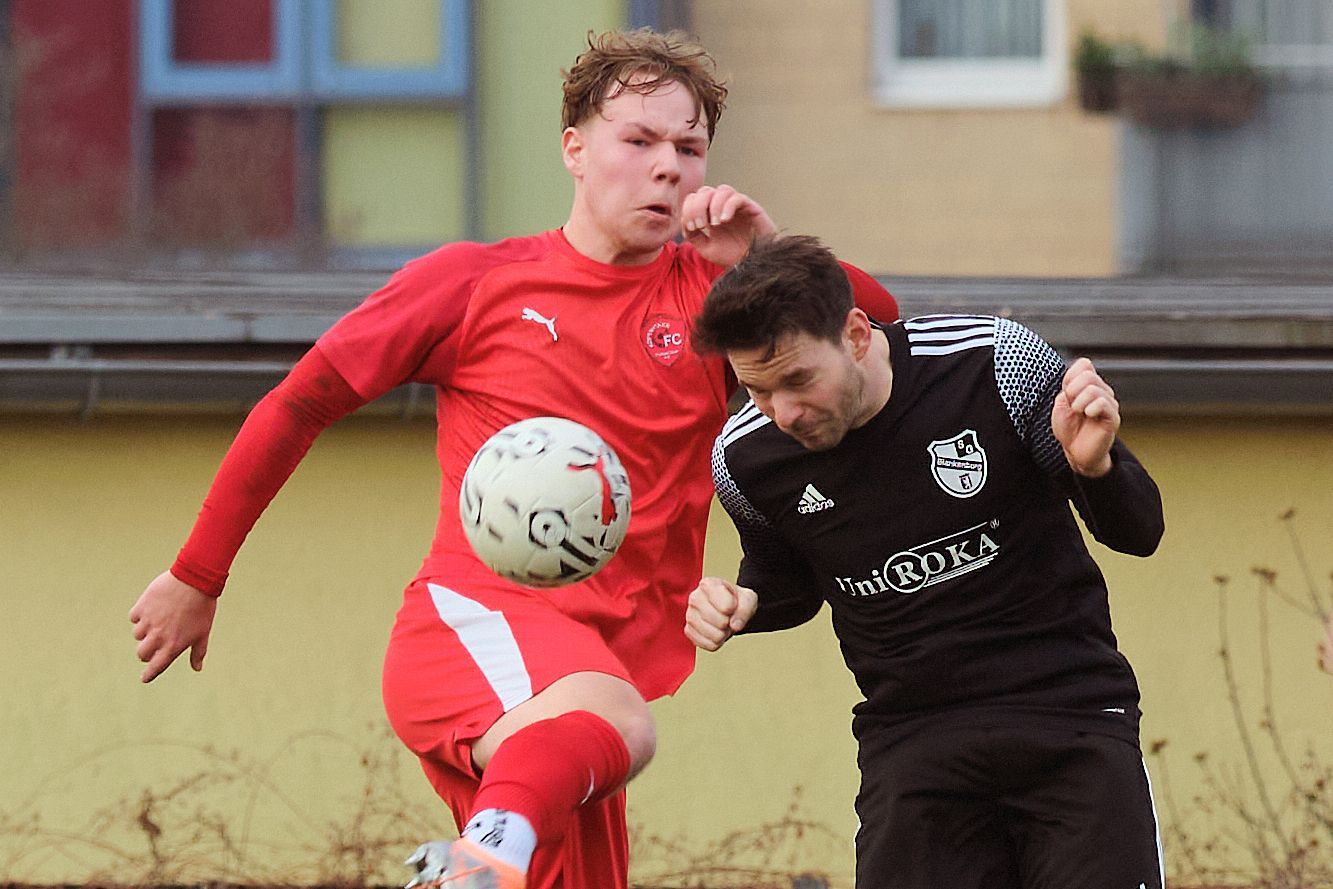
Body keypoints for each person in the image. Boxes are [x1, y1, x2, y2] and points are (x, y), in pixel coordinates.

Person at [127, 31, 898, 889]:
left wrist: (768, 255)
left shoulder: (714, 301)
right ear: (574, 149)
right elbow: (301, 402)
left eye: (688, 148)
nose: (666, 167)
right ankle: (481, 854)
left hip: (575, 699)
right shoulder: (473, 282)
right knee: (620, 726)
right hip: (475, 628)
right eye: (637, 140)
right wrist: (197, 574)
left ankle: (483, 857)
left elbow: (875, 333)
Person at [684, 234, 1166, 889]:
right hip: (914, 740)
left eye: (798, 380)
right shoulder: (745, 459)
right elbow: (786, 582)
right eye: (757, 391)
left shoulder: (992, 364)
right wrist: (745, 604)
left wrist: (1095, 469)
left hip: (1069, 720)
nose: (784, 413)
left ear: (856, 334)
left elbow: (1139, 532)